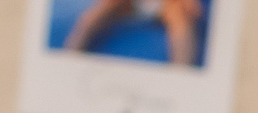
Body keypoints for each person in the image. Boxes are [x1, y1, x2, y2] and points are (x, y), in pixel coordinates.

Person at [62, 0, 204, 68]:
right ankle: (70, 57)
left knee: (181, 23)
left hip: (169, 5)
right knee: (92, 18)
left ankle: (181, 74)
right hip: (128, 3)